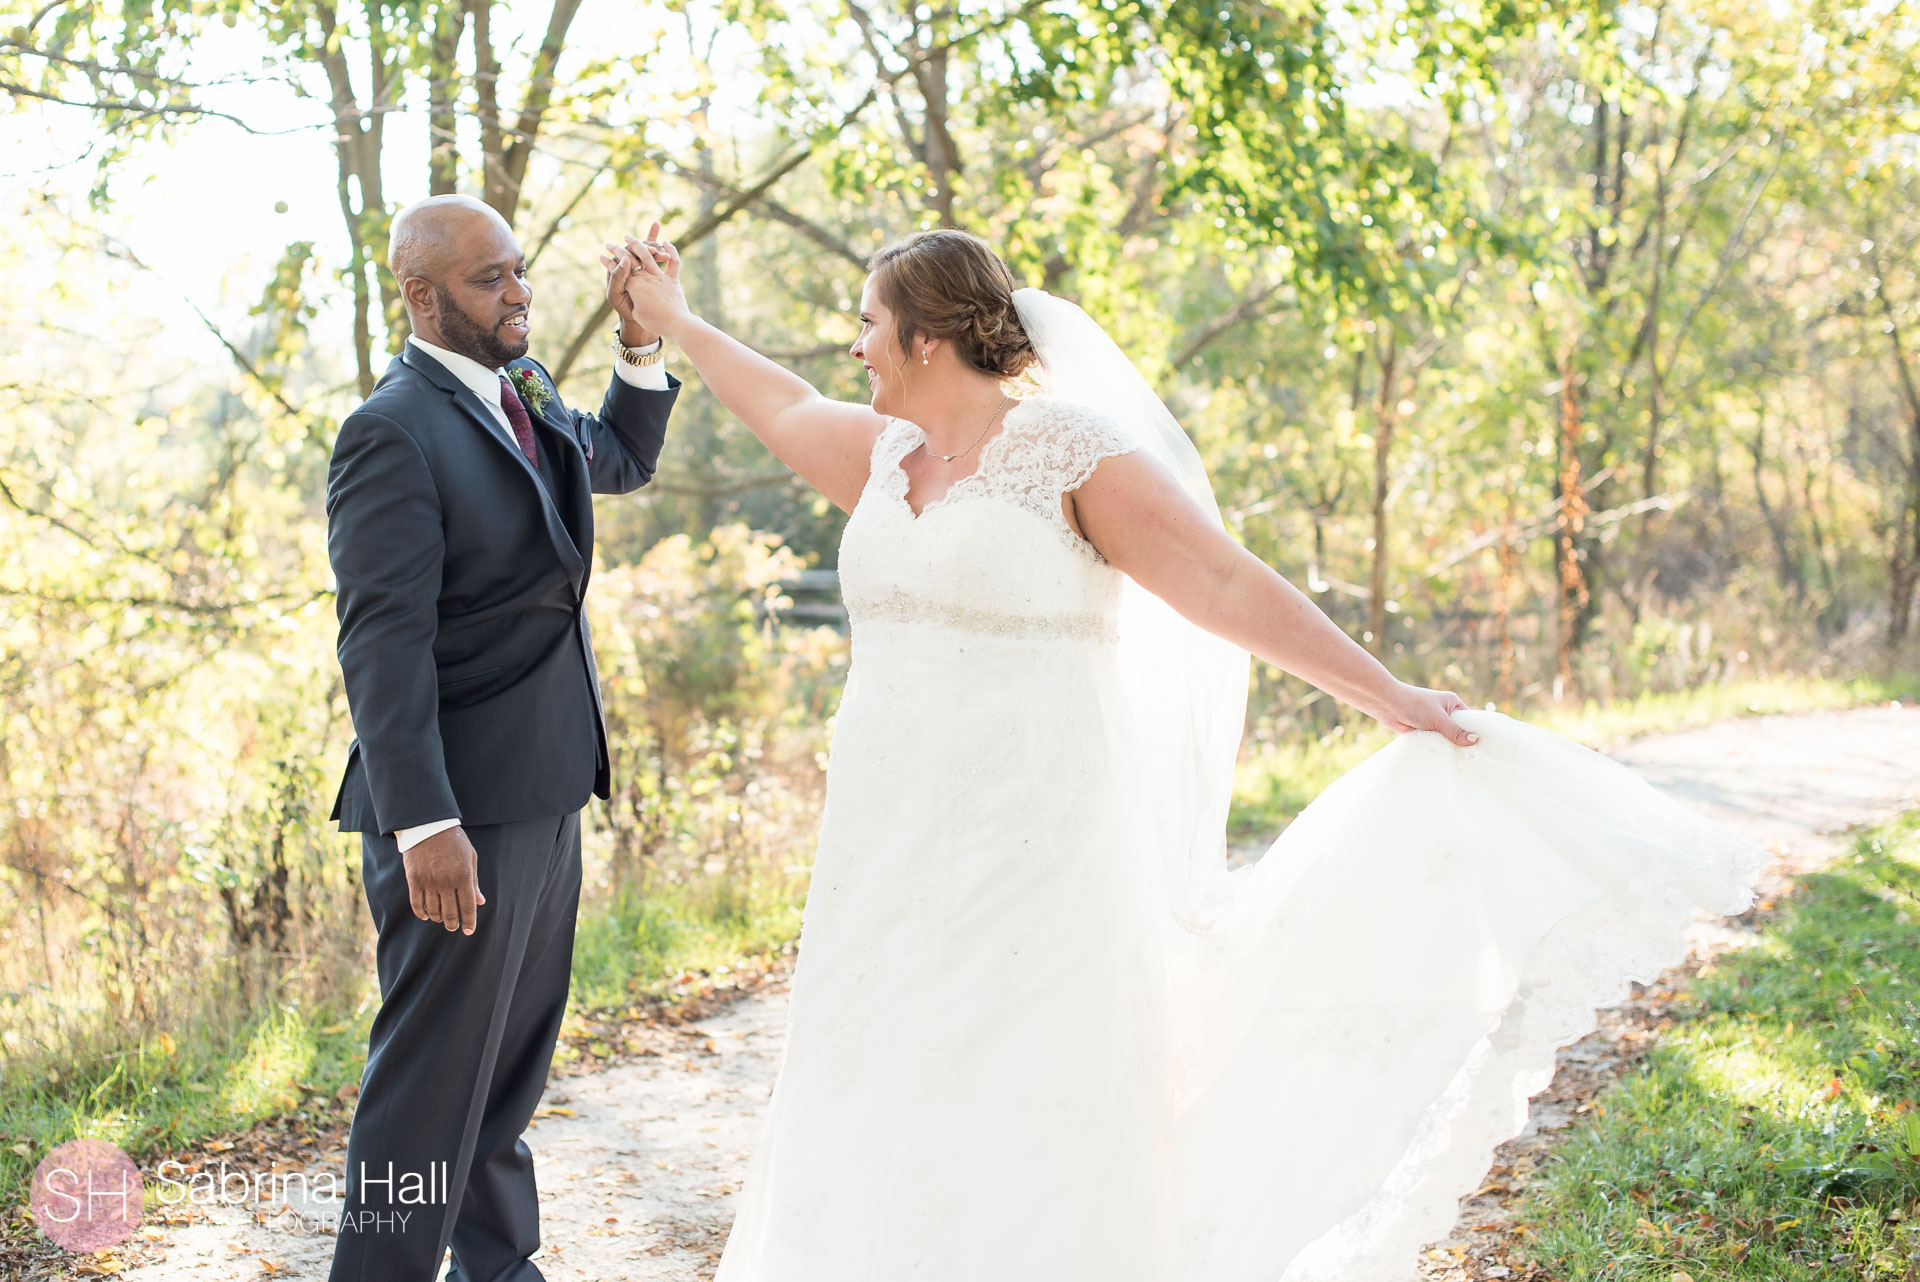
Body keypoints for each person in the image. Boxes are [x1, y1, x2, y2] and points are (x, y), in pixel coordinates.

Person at [604, 226, 1764, 1281]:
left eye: (868, 322)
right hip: (885, 842)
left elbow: (1219, 580)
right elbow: (778, 400)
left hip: (1039, 839)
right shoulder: (882, 455)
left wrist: (1387, 693)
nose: (855, 345)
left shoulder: (1071, 453)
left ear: (928, 335)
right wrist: (677, 318)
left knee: (1025, 1081)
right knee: (878, 1073)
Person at [324, 194, 680, 1282]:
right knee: (429, 1084)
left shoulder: (522, 389)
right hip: (457, 813)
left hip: (546, 783)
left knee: (506, 1072)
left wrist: (640, 340)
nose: (519, 293)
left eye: (520, 271)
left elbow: (617, 459)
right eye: (490, 279)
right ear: (421, 295)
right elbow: (382, 646)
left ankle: (498, 1268)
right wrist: (427, 823)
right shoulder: (390, 429)